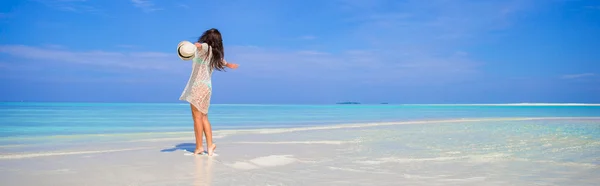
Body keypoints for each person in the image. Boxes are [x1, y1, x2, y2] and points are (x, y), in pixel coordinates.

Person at [179, 28, 239, 156]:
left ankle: (199, 147)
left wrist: (196, 45)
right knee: (204, 117)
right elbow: (223, 62)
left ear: (207, 38)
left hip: (197, 86)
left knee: (197, 118)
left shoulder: (205, 48)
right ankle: (210, 146)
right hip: (207, 87)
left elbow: (203, 46)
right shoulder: (215, 54)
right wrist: (230, 65)